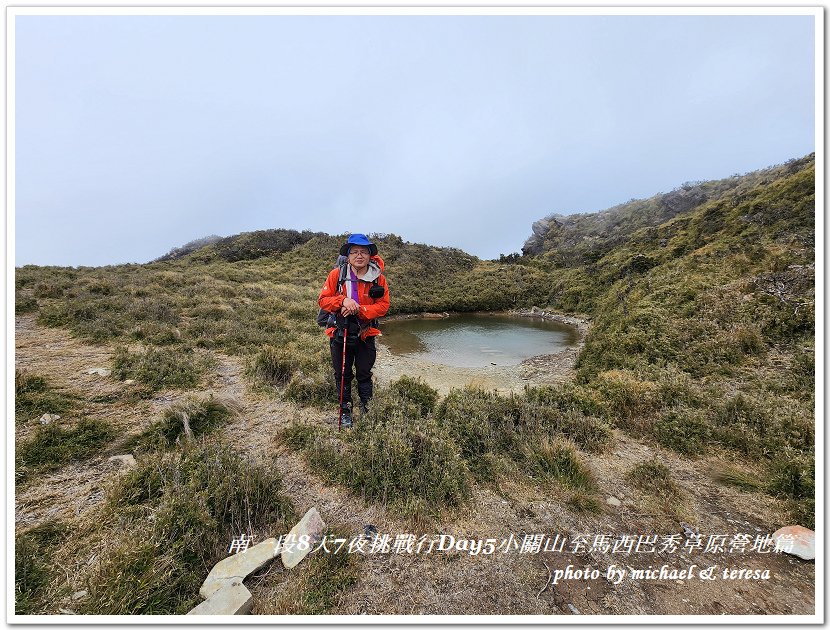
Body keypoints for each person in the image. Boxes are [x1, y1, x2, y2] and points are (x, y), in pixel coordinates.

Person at [318, 234, 390, 427]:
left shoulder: (379, 279)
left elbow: (384, 306)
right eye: (355, 252)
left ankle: (368, 408)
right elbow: (323, 300)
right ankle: (345, 411)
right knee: (342, 373)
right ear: (348, 256)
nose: (359, 256)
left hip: (365, 334)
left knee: (364, 373)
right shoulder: (336, 275)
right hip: (339, 333)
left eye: (364, 252)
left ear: (370, 255)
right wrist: (342, 301)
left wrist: (361, 309)